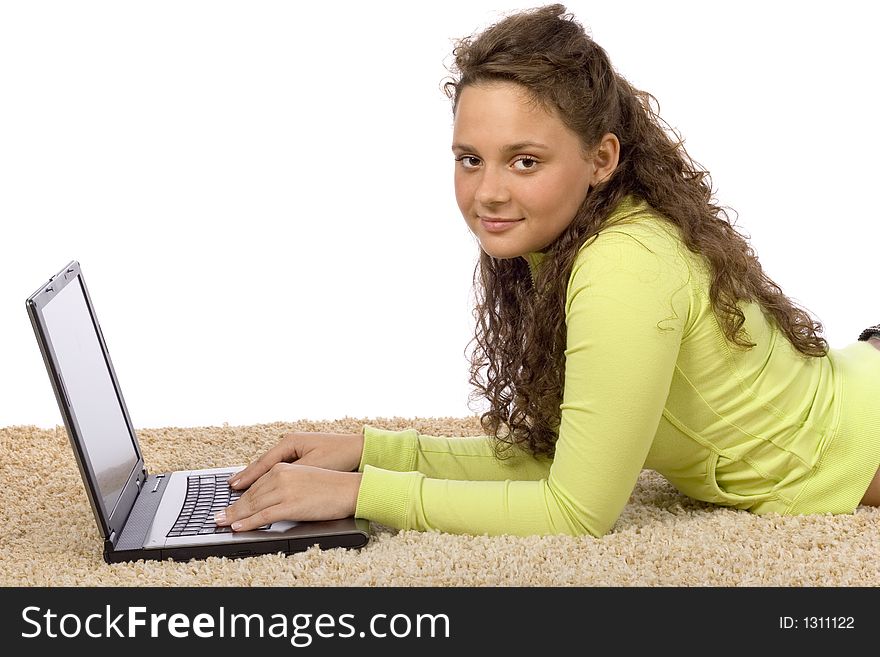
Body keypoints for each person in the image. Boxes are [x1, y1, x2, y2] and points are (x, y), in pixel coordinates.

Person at [214, 4, 880, 538]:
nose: (489, 192)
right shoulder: (570, 243)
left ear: (601, 158)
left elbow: (576, 511)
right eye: (470, 158)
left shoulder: (624, 264)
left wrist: (362, 493)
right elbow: (566, 458)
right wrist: (372, 450)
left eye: (524, 160)